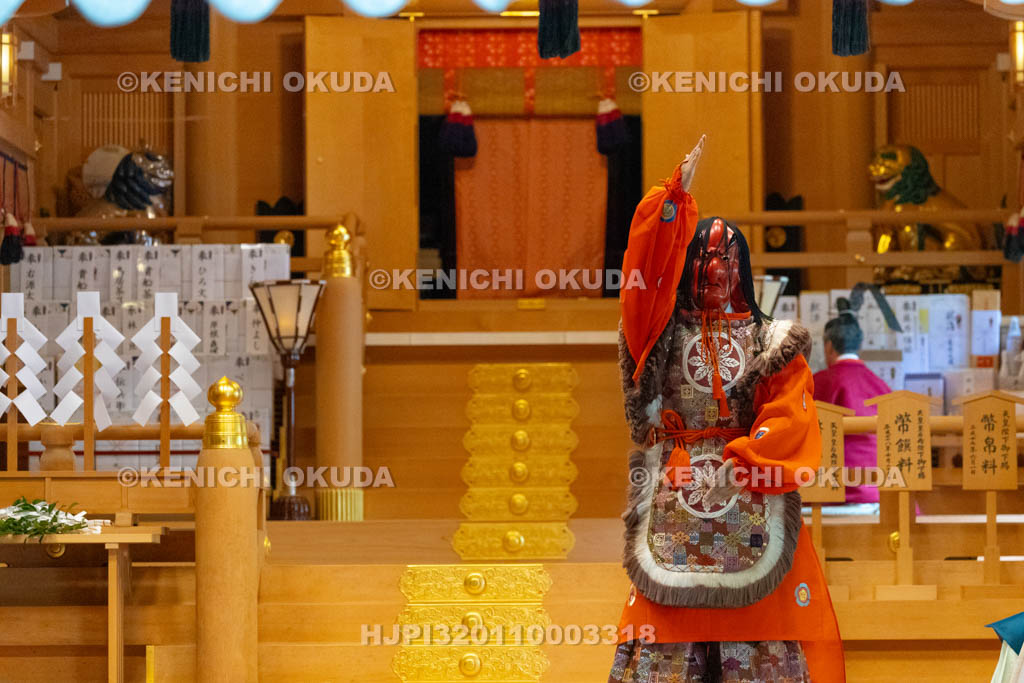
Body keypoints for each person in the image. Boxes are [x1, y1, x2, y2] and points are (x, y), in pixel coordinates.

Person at [611, 206, 845, 682]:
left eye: (726, 255)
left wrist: (746, 461)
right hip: (674, 500)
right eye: (702, 254)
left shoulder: (771, 340)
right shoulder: (657, 333)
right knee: (667, 646)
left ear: (744, 268)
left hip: (753, 496)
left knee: (762, 639)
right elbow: (640, 273)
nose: (714, 267)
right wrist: (670, 201)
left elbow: (789, 415)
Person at [812, 299, 891, 505]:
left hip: (832, 488)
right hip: (879, 489)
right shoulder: (881, 385)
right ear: (860, 345)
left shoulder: (819, 382)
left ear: (829, 346)